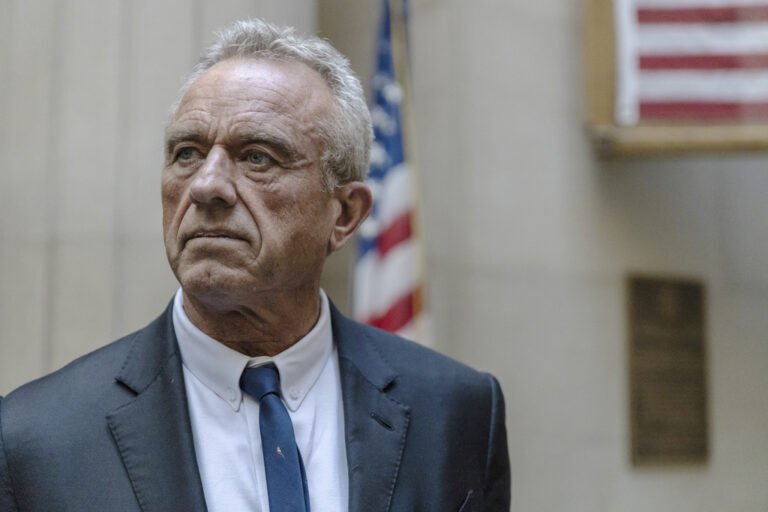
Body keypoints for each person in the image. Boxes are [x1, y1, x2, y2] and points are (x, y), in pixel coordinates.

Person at [0, 18, 509, 512]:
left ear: (345, 214)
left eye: (258, 157)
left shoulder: (457, 412)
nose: (206, 186)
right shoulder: (33, 439)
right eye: (187, 153)